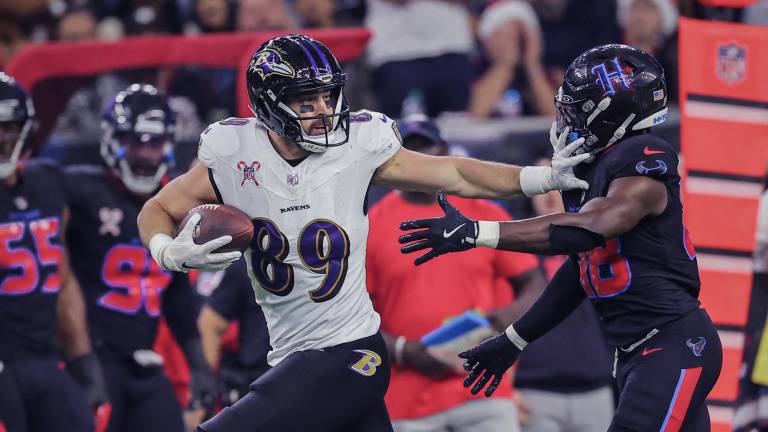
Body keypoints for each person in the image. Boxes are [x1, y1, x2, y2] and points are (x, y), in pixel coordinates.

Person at [136, 34, 588, 432]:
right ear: (269, 104)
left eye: (328, 98)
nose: (324, 112)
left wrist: (539, 178)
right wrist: (166, 252)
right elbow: (156, 209)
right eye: (306, 101)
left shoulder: (359, 145)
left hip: (349, 352)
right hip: (291, 357)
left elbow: (454, 173)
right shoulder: (233, 154)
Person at [399, 44, 724, 431]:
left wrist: (478, 232)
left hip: (673, 344)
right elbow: (580, 273)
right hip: (642, 351)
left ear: (612, 112)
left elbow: (592, 229)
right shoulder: (599, 167)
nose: (567, 116)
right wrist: (514, 340)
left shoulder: (643, 161)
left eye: (578, 106)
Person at [366, 115, 546, 432]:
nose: (419, 163)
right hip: (407, 400)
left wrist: (499, 323)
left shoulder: (485, 212)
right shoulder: (369, 226)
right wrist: (403, 350)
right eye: (409, 153)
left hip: (484, 388)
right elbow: (354, 317)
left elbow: (533, 283)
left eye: (427, 151)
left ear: (445, 152)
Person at [64, 84, 216, 432]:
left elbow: (176, 293)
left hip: (143, 359)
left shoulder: (175, 201)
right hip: (93, 356)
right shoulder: (79, 191)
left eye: (155, 143)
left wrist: (199, 365)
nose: (146, 155)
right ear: (110, 140)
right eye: (136, 142)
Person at [0, 72, 109, 432]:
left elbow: (61, 282)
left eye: (10, 127)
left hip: (45, 358)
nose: (2, 137)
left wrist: (82, 357)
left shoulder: (47, 183)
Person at [512, 160, 614, 432]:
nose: (548, 196)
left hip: (596, 391)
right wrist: (503, 389)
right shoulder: (512, 255)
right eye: (542, 187)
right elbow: (493, 320)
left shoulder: (597, 245)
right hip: (534, 393)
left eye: (556, 186)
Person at [197, 259, 271, 407]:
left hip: (311, 370)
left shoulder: (322, 261)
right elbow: (210, 324)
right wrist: (204, 392)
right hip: (260, 379)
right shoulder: (250, 263)